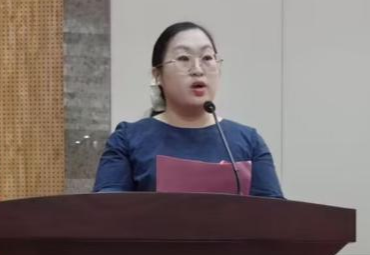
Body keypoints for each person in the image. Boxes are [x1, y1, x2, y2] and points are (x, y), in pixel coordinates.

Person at [92, 22, 284, 198]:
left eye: (207, 58)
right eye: (183, 58)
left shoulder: (248, 141)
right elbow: (107, 210)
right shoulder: (127, 139)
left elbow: (274, 215)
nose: (198, 69)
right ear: (157, 75)